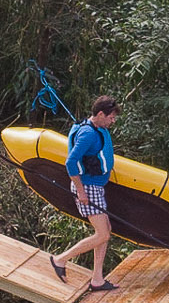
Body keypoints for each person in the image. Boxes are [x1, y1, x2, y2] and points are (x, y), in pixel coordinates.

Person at [48, 95, 121, 292]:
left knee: (105, 231)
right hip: (88, 188)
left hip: (95, 187)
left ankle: (97, 279)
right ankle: (60, 260)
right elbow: (71, 162)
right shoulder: (88, 134)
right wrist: (81, 191)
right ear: (99, 114)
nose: (112, 122)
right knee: (103, 234)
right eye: (111, 118)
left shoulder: (97, 127)